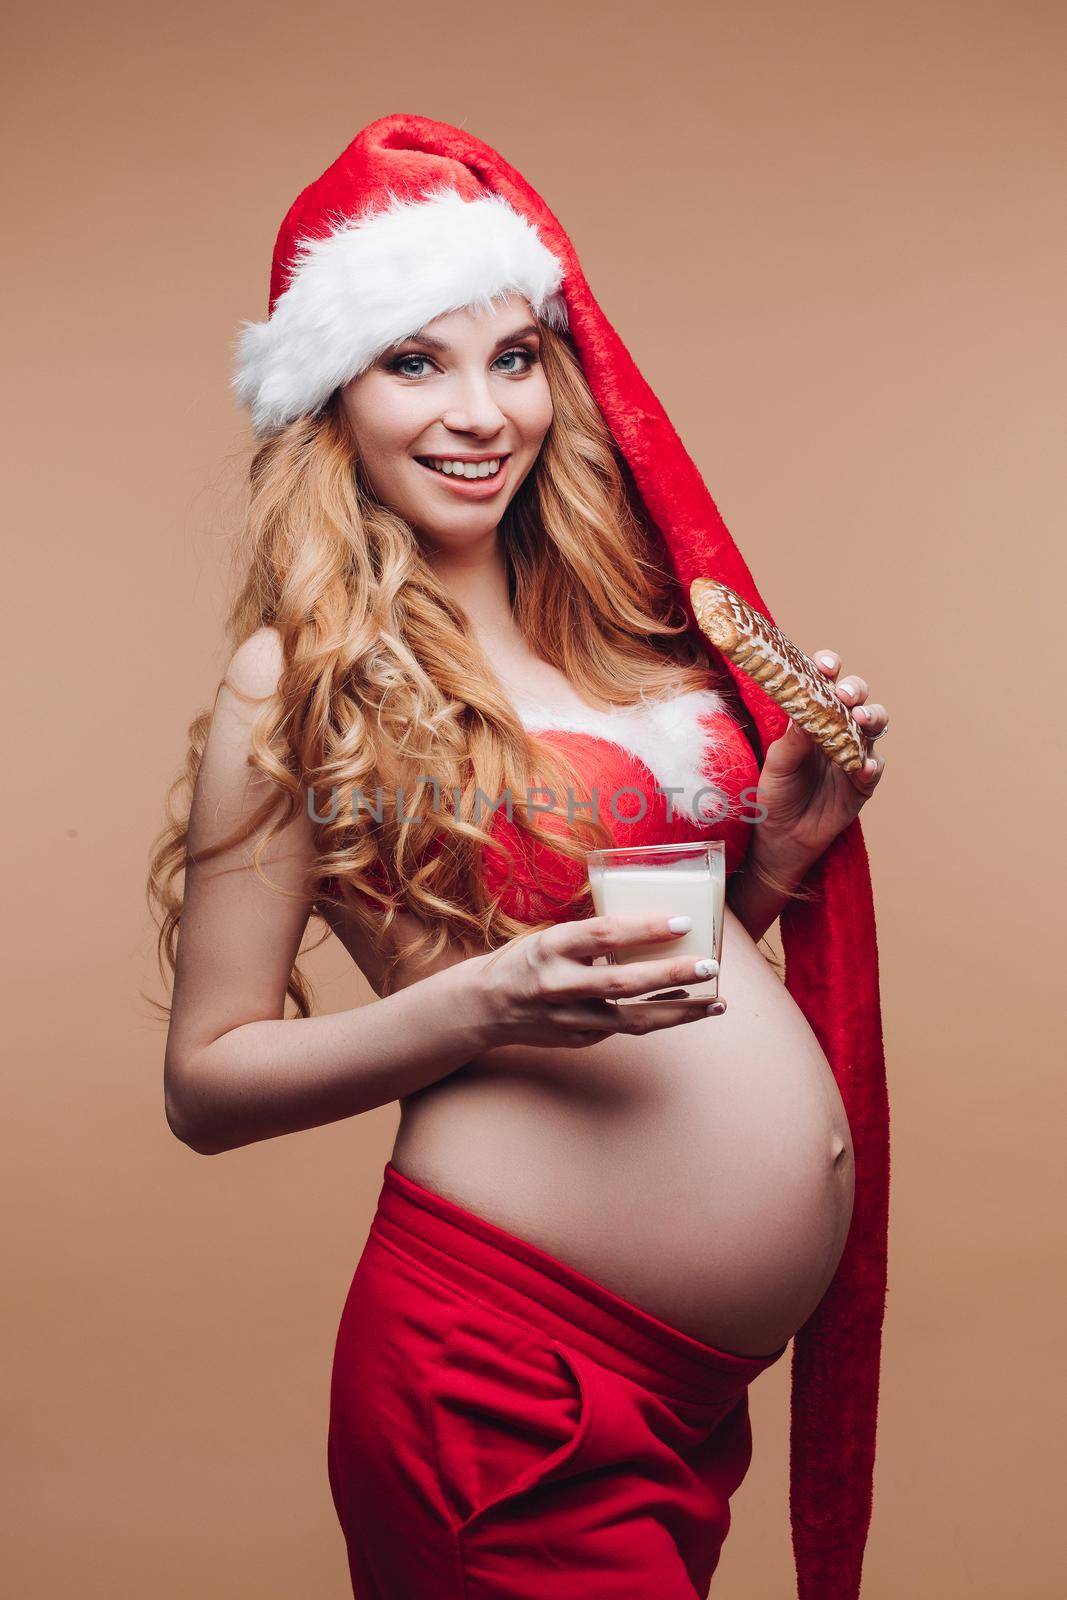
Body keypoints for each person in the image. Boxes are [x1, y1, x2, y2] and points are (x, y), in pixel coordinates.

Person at [150, 114, 891, 1599]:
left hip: (679, 1394)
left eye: (513, 356)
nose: (479, 412)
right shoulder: (297, 676)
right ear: (330, 398)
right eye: (413, 362)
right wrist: (477, 1009)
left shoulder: (620, 630)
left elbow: (640, 987)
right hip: (502, 1383)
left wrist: (774, 875)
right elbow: (206, 1081)